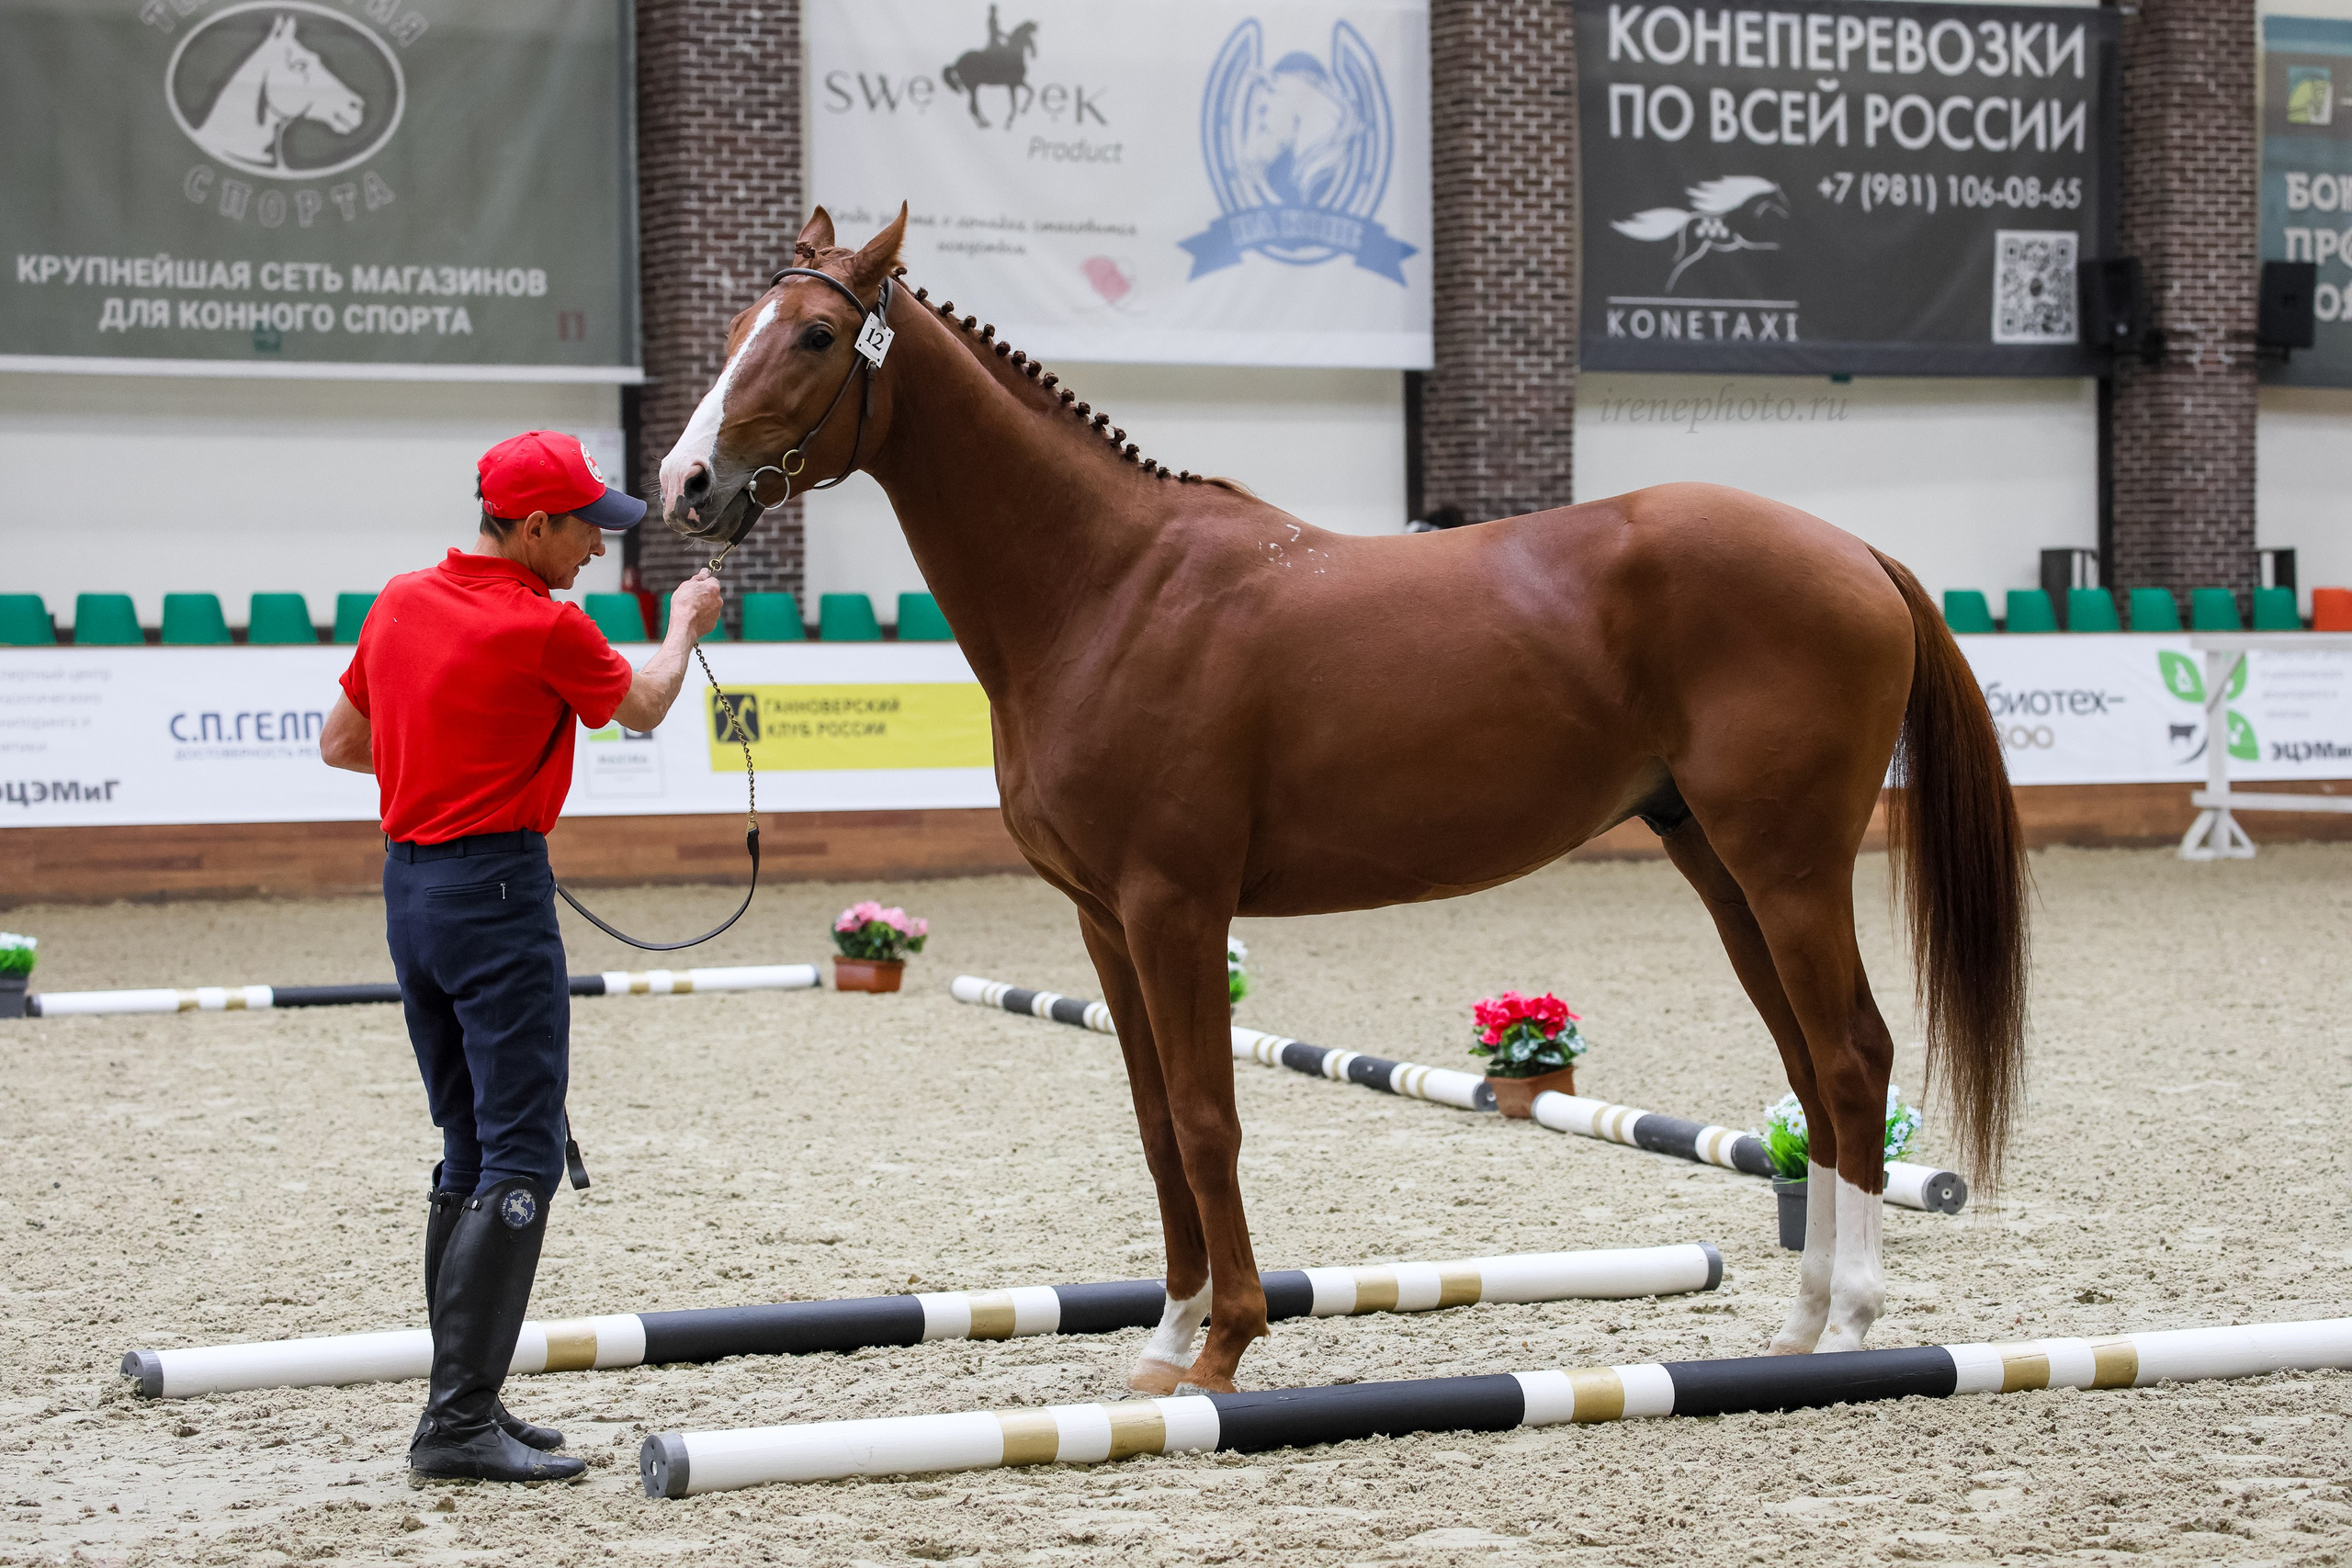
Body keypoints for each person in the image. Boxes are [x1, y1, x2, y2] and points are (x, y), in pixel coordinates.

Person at [320, 431, 722, 1483]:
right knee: (522, 1158)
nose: (596, 545)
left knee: (466, 1149)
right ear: (533, 526)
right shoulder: (548, 624)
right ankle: (457, 1422)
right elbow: (644, 707)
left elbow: (342, 744)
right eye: (585, 527)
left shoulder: (400, 600)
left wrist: (449, 763)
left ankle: (465, 1398)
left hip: (412, 892)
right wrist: (684, 624)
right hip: (497, 897)